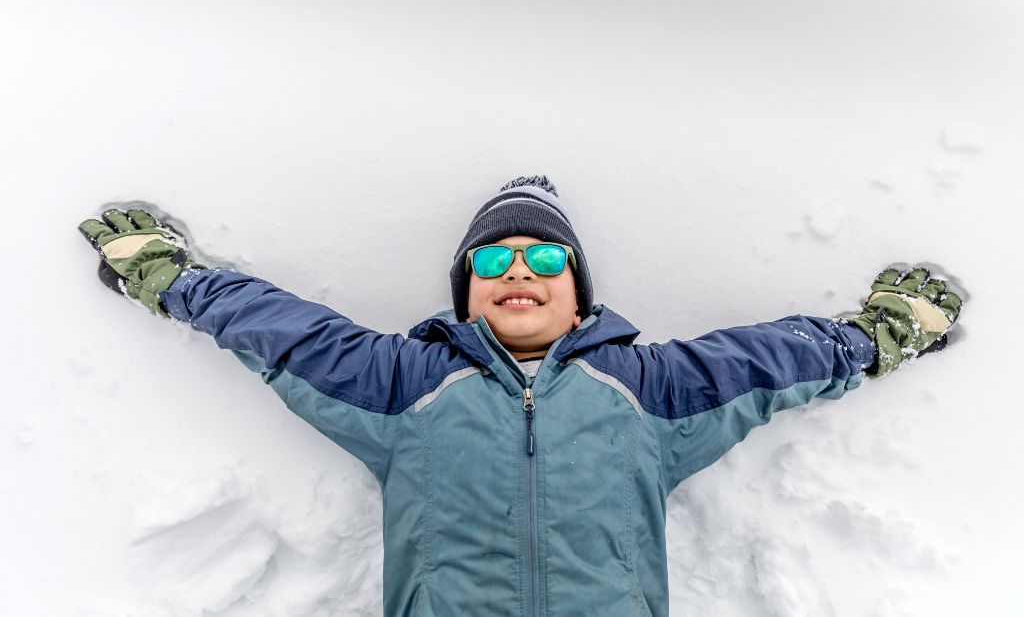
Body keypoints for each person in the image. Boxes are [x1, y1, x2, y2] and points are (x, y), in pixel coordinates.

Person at [78, 175, 963, 617]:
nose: (518, 272)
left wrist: (880, 333)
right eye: (492, 262)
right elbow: (286, 333)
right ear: (463, 291)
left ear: (579, 291)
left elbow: (773, 364)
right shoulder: (405, 382)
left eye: (543, 259)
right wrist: (173, 277)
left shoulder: (647, 388)